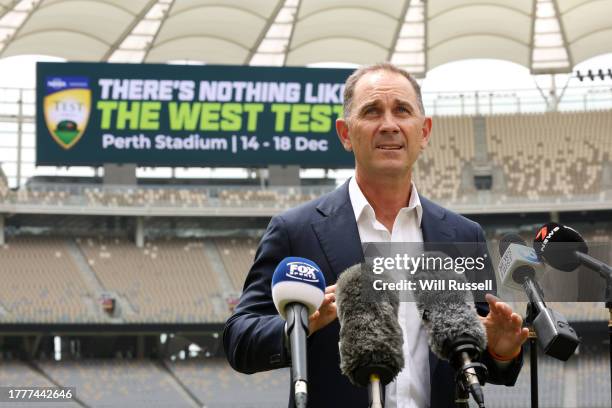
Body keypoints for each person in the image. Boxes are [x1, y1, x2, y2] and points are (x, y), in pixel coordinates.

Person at [223, 62, 529, 408]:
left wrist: (502, 351)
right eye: (372, 112)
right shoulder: (296, 230)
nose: (389, 125)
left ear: (424, 131)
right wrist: (297, 327)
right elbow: (239, 339)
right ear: (345, 133)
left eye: (402, 110)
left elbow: (477, 359)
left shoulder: (463, 234)